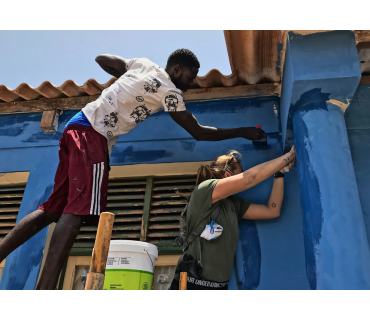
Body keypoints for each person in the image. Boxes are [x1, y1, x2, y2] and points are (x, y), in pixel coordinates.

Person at [0, 49, 265, 290]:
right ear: (176, 70)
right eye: (191, 75)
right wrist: (244, 132)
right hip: (94, 136)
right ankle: (44, 291)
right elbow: (198, 132)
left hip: (76, 125)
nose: (192, 81)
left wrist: (127, 79)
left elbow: (102, 59)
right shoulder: (170, 93)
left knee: (52, 209)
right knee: (78, 211)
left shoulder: (143, 64)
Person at [169, 146, 296, 290]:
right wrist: (289, 156)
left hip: (219, 287)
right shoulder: (204, 191)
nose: (242, 175)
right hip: (191, 285)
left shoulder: (234, 204)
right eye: (239, 172)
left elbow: (272, 211)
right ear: (228, 175)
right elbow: (249, 178)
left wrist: (279, 173)